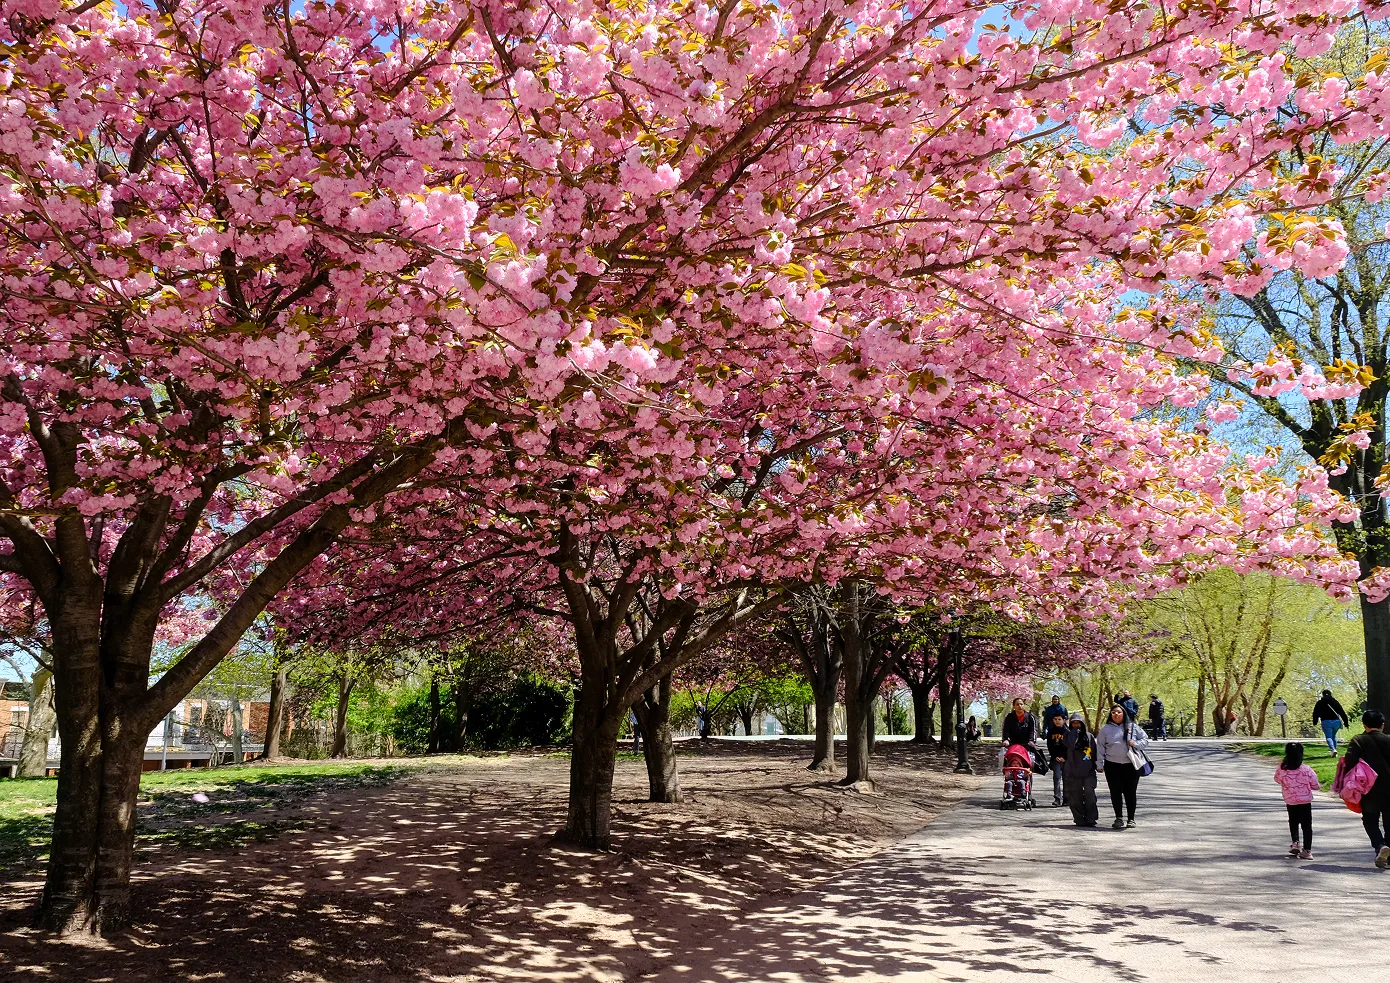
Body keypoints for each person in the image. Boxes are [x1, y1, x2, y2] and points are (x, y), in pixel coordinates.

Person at [1343, 709, 1390, 868]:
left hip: (1369, 789)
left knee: (1370, 820)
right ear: (1382, 725)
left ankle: (1380, 846)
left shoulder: (1358, 740)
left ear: (1364, 724)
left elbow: (1350, 761)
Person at [1097, 703, 1148, 829]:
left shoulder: (1132, 727)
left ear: (1123, 714)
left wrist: (1135, 743)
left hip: (1130, 765)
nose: (1116, 714)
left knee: (1130, 792)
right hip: (1112, 765)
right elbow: (1100, 748)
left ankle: (1131, 819)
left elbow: (1145, 740)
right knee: (1115, 792)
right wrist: (1099, 763)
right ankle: (1118, 818)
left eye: (1119, 712)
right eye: (1113, 712)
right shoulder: (1105, 729)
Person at [1274, 742, 1320, 859]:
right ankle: (1307, 850)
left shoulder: (1282, 769)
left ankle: (1295, 842)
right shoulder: (1306, 769)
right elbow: (1315, 784)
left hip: (1291, 800)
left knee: (1293, 821)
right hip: (1305, 801)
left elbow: (1277, 779)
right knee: (1307, 826)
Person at [1062, 712, 1099, 827]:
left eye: (1078, 723)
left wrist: (1098, 765)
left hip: (1088, 771)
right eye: (1074, 723)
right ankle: (1079, 818)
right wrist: (1074, 734)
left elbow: (1095, 752)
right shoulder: (1067, 736)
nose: (1076, 725)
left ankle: (1091, 818)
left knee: (1090, 796)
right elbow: (1069, 746)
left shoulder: (1089, 736)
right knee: (1075, 797)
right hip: (1072, 771)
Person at [1312, 690, 1351, 754]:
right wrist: (1346, 723)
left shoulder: (1319, 703)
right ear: (1330, 694)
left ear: (1323, 694)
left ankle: (1333, 749)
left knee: (1329, 737)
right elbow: (1342, 712)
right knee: (1333, 736)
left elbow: (1315, 713)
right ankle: (1334, 750)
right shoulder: (1335, 702)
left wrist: (1315, 721)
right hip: (1336, 721)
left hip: (1326, 721)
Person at [1045, 711, 1068, 806]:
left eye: (1059, 719)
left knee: (1066, 779)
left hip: (1066, 759)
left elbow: (1069, 746)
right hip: (1055, 759)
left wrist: (1065, 757)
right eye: (1055, 719)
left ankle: (1067, 798)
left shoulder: (1067, 731)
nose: (1057, 721)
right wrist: (1055, 756)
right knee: (1057, 778)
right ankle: (1057, 798)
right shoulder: (1051, 731)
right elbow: (1050, 746)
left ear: (1064, 720)